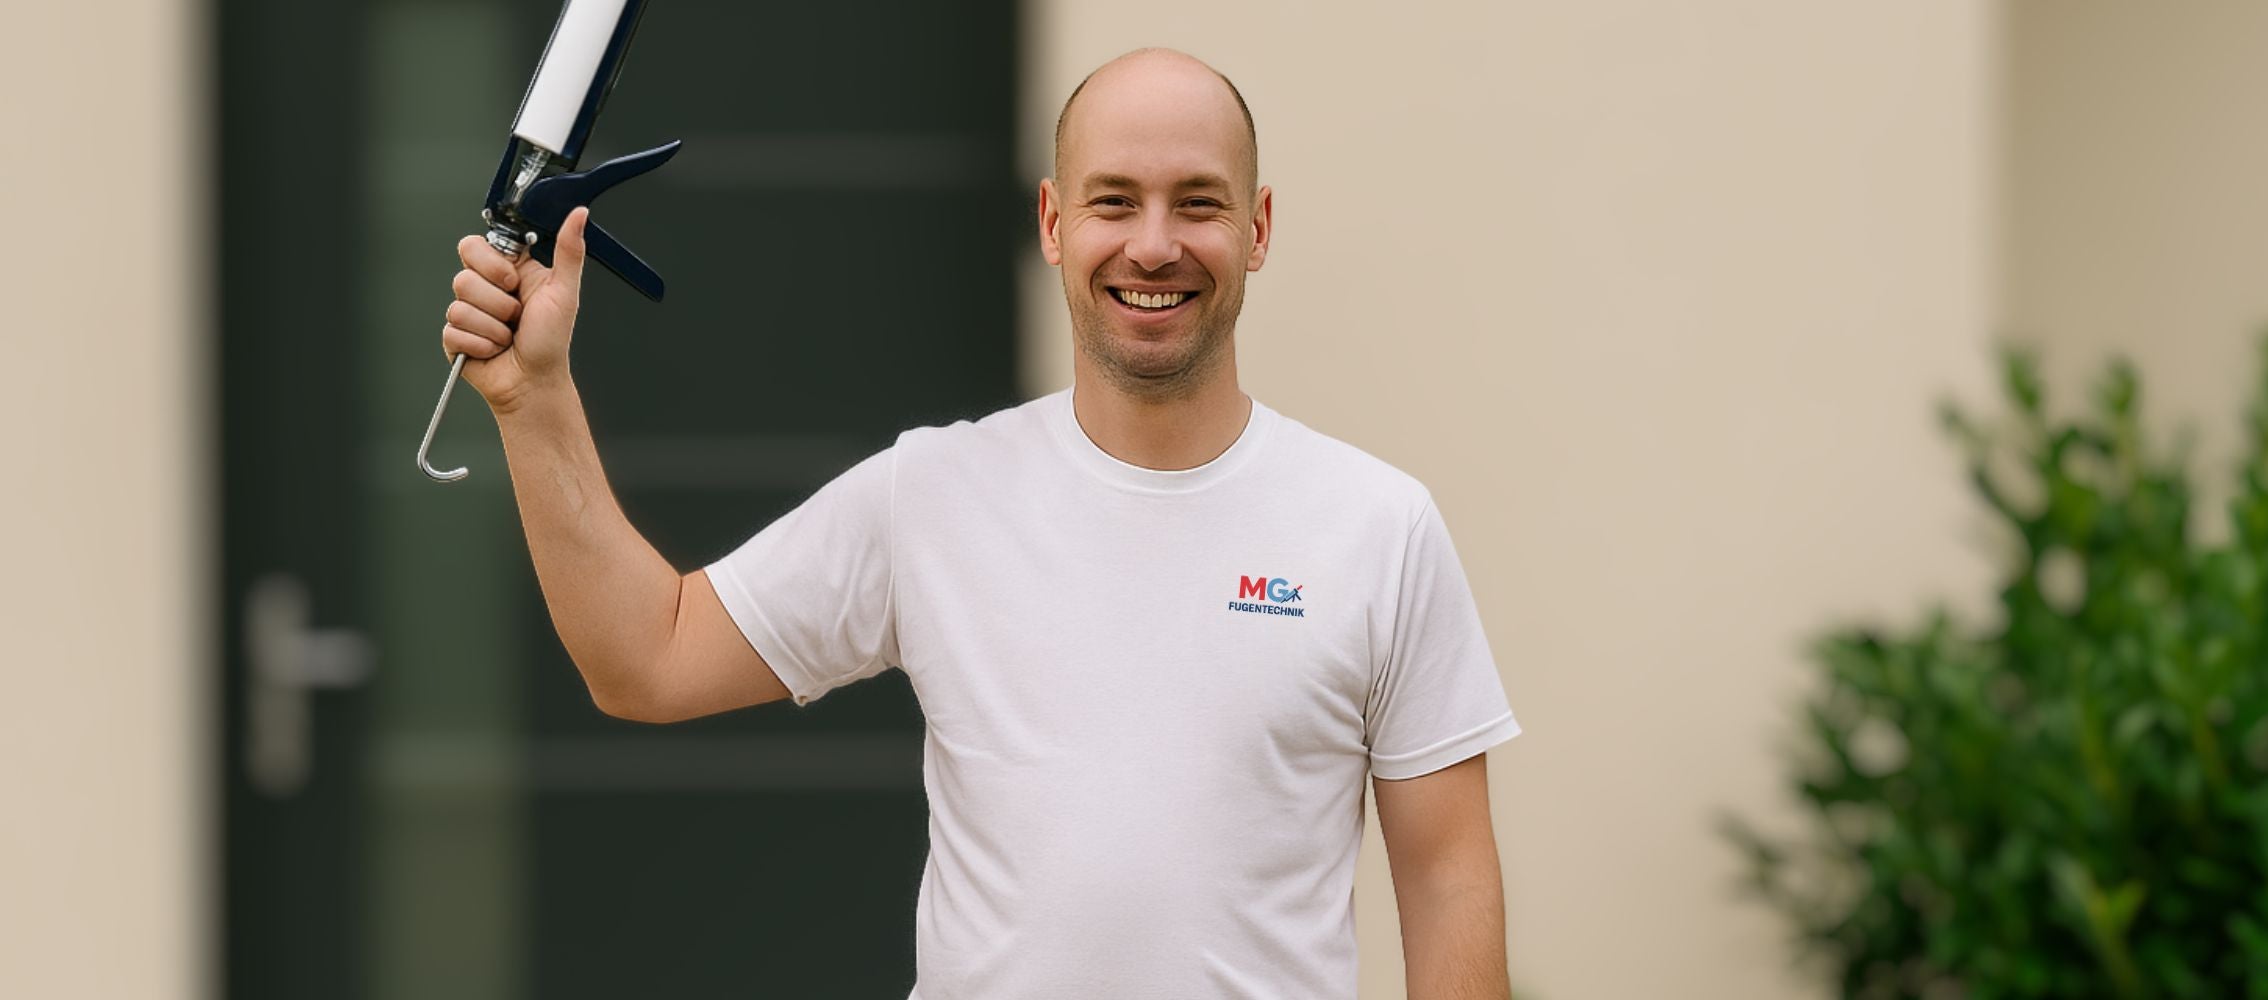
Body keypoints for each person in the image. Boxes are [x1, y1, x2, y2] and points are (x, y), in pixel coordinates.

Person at [437, 46, 1518, 1000]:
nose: (1153, 245)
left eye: (1197, 203)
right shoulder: (934, 494)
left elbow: (1448, 879)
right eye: (1113, 201)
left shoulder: (1376, 527)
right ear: (1052, 222)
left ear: (1258, 227)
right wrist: (535, 403)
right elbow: (648, 658)